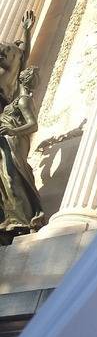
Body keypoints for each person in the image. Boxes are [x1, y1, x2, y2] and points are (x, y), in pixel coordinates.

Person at [0, 65, 44, 234]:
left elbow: (33, 125)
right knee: (6, 178)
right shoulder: (17, 100)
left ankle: (22, 219)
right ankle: (12, 217)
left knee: (12, 176)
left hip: (15, 141)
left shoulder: (24, 100)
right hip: (7, 141)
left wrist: (12, 131)